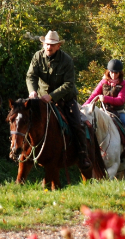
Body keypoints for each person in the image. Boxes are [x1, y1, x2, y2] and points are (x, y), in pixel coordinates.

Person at [26, 30, 92, 171]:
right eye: (47, 44)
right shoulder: (37, 56)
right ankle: (21, 152)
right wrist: (32, 92)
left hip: (65, 100)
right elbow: (30, 76)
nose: (49, 47)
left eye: (52, 44)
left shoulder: (66, 60)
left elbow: (69, 84)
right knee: (23, 118)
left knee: (76, 124)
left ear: (58, 46)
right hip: (41, 99)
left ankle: (83, 155)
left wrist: (52, 96)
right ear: (43, 45)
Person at [85, 58, 125, 166]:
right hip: (103, 112)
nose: (113, 75)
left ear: (120, 73)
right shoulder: (103, 82)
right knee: (89, 124)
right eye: (112, 72)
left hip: (118, 113)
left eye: (116, 73)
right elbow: (93, 96)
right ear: (108, 72)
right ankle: (84, 153)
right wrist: (84, 107)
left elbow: (121, 100)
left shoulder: (124, 84)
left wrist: (106, 98)